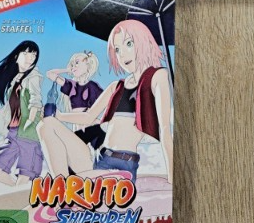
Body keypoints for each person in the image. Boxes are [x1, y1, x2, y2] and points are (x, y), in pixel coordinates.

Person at [38, 20, 173, 184]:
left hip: (122, 164)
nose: (122, 55)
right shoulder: (116, 86)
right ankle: (62, 189)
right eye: (117, 49)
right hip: (100, 158)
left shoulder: (157, 76)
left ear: (144, 42)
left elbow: (165, 130)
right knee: (46, 124)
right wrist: (58, 116)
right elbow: (88, 117)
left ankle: (68, 189)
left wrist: (172, 179)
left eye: (129, 44)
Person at [0, 40, 44, 185]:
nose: (30, 58)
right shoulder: (15, 81)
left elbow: (36, 100)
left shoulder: (33, 76)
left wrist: (30, 121)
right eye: (26, 53)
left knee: (24, 177)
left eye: (34, 55)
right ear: (16, 56)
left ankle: (20, 196)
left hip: (29, 133)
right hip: (14, 132)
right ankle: (16, 194)